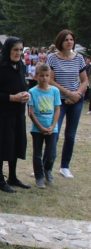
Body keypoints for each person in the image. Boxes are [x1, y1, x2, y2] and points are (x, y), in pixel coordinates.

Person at [0, 37, 31, 193]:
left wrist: (26, 95)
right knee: (0, 145)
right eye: (15, 50)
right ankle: (0, 179)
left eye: (20, 50)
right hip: (1, 114)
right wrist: (13, 98)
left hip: (17, 113)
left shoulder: (20, 66)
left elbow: (21, 85)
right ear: (8, 50)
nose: (18, 53)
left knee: (15, 143)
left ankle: (13, 177)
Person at [47, 29, 87, 179]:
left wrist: (76, 95)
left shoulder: (79, 58)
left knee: (70, 135)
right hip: (59, 100)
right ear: (60, 42)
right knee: (53, 133)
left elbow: (84, 81)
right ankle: (47, 165)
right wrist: (67, 93)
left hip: (76, 101)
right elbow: (50, 80)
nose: (69, 42)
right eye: (66, 40)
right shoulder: (52, 58)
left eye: (71, 39)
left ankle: (65, 166)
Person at [28, 63, 61, 188]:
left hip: (52, 128)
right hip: (37, 129)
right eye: (41, 76)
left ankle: (48, 170)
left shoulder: (55, 91)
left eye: (47, 75)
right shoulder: (32, 91)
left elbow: (57, 109)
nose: (44, 78)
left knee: (51, 153)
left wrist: (53, 126)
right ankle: (39, 176)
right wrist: (40, 127)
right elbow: (30, 112)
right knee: (37, 154)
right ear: (36, 76)